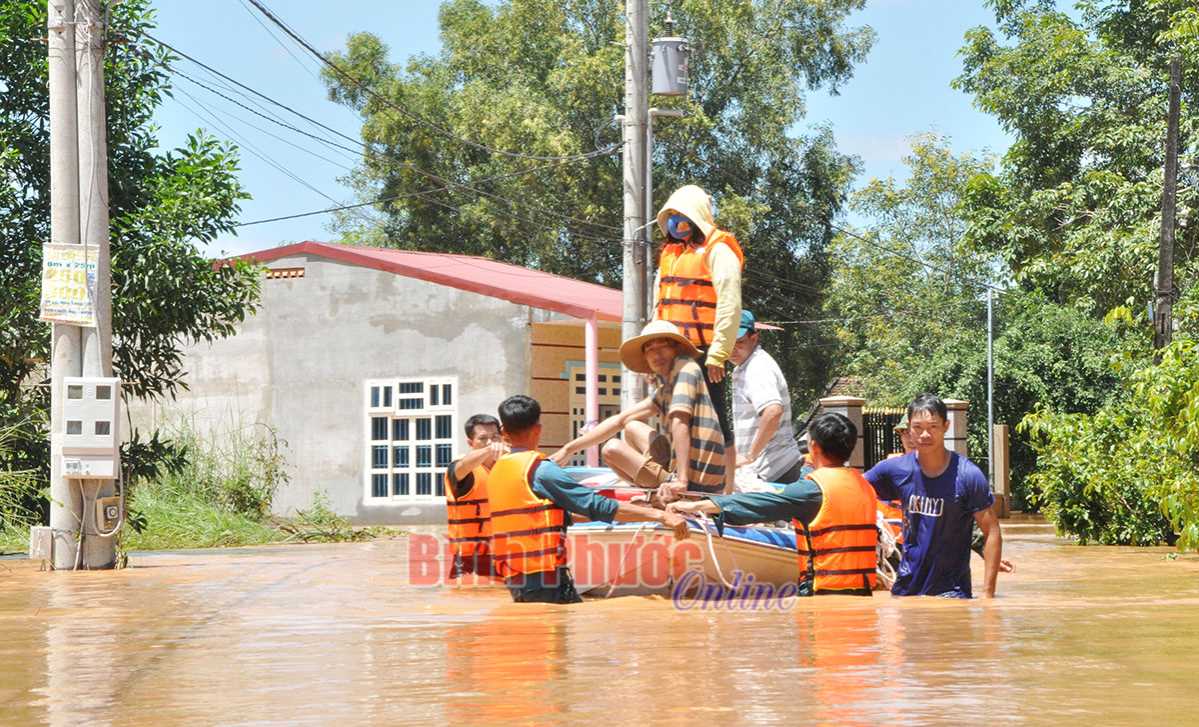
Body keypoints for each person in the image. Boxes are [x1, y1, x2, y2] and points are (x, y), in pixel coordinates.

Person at [489, 395, 690, 604]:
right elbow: (596, 505)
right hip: (545, 578)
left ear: (503, 432)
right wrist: (660, 515)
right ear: (538, 429)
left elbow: (555, 517)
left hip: (514, 578)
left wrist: (636, 509)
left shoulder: (498, 471)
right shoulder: (541, 471)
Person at [667, 412, 879, 596]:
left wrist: (694, 506)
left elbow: (756, 503)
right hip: (863, 591)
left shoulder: (811, 490)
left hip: (825, 594)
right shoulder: (864, 486)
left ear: (813, 446)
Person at [550, 320, 727, 502]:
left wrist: (681, 481)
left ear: (677, 349)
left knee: (611, 449)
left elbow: (680, 421)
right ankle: (654, 489)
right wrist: (569, 449)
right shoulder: (665, 389)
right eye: (650, 349)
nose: (657, 354)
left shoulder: (685, 369)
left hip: (697, 486)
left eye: (663, 346)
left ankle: (660, 497)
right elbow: (621, 419)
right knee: (631, 426)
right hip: (683, 472)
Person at [864, 393, 1004, 598]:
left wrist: (988, 596)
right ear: (909, 428)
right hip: (906, 589)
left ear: (946, 426)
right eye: (917, 427)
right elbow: (853, 489)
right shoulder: (894, 469)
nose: (925, 435)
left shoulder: (968, 475)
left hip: (951, 593)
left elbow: (992, 531)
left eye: (933, 427)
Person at [654, 184, 744, 491]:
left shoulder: (719, 250)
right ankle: (686, 484)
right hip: (672, 351)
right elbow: (658, 304)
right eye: (671, 216)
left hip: (705, 351)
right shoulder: (670, 254)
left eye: (681, 216)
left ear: (696, 217)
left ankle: (727, 491)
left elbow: (730, 304)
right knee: (676, 418)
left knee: (716, 419)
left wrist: (719, 353)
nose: (675, 222)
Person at [729, 309, 804, 486]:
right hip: (770, 470)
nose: (732, 349)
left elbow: (773, 411)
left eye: (739, 342)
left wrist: (750, 456)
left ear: (754, 338)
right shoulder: (745, 366)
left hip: (774, 470)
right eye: (727, 342)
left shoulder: (757, 367)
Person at [444, 413, 506, 580]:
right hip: (470, 562)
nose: (491, 442)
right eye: (483, 438)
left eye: (495, 437)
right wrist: (489, 449)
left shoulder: (507, 467)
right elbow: (463, 466)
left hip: (504, 555)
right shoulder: (460, 469)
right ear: (470, 443)